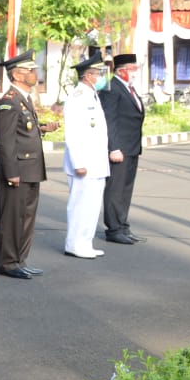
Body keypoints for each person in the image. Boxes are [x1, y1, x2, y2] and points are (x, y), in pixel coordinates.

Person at [0, 50, 50, 280]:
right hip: (17, 170)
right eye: (29, 70)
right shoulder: (9, 102)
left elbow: (23, 132)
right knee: (13, 219)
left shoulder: (24, 99)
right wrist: (11, 173)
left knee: (27, 218)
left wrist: (42, 129)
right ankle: (8, 262)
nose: (34, 73)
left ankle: (21, 259)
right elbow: (6, 141)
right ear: (17, 75)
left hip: (31, 169)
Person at [63, 52, 111, 260]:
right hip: (84, 163)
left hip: (96, 162)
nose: (101, 77)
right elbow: (73, 132)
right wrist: (78, 162)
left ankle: (85, 242)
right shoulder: (77, 97)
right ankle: (74, 244)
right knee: (80, 206)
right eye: (98, 73)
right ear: (88, 76)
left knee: (91, 206)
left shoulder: (92, 94)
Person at [100, 53, 145, 245]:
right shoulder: (111, 88)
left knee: (126, 190)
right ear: (121, 71)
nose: (135, 72)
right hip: (120, 149)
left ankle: (123, 226)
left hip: (132, 148)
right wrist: (114, 147)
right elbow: (109, 120)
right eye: (132, 69)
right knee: (115, 190)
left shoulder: (129, 88)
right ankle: (113, 229)